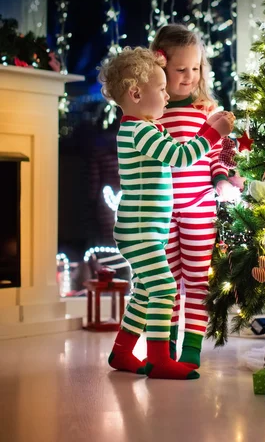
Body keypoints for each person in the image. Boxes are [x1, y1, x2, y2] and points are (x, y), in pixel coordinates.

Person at [98, 47, 234, 380]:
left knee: (146, 290)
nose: (165, 95)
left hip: (145, 229)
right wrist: (213, 132)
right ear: (135, 94)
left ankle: (122, 351)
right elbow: (181, 157)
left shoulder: (142, 128)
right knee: (164, 289)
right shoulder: (139, 131)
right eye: (160, 90)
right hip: (141, 230)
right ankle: (159, 358)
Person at [150, 24, 238, 369]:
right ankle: (165, 345)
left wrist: (223, 176)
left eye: (195, 68)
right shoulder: (153, 112)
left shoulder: (206, 108)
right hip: (162, 209)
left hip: (200, 206)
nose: (189, 76)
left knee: (198, 279)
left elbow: (221, 151)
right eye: (180, 69)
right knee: (166, 279)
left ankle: (191, 346)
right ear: (161, 67)